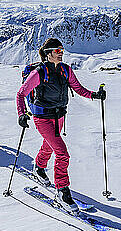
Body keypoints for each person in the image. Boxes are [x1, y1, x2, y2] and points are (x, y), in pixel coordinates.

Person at [16, 38, 106, 214]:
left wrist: (94, 95)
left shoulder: (66, 70)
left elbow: (78, 88)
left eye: (62, 50)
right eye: (57, 51)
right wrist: (21, 114)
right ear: (48, 53)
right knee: (62, 154)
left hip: (59, 116)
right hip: (42, 117)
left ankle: (39, 168)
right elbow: (21, 93)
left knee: (49, 146)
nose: (61, 53)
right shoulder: (39, 73)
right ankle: (62, 190)